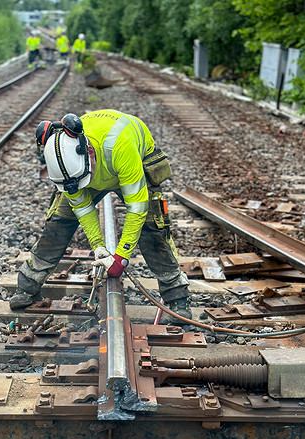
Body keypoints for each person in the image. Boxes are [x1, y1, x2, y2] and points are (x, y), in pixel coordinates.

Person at [10, 110, 191, 323]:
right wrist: (98, 246)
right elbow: (83, 208)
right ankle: (27, 288)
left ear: (90, 153)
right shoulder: (66, 165)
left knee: (152, 227)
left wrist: (121, 257)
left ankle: (178, 299)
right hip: (93, 168)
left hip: (132, 161)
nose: (79, 188)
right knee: (59, 222)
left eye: (81, 181)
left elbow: (137, 208)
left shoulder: (120, 147)